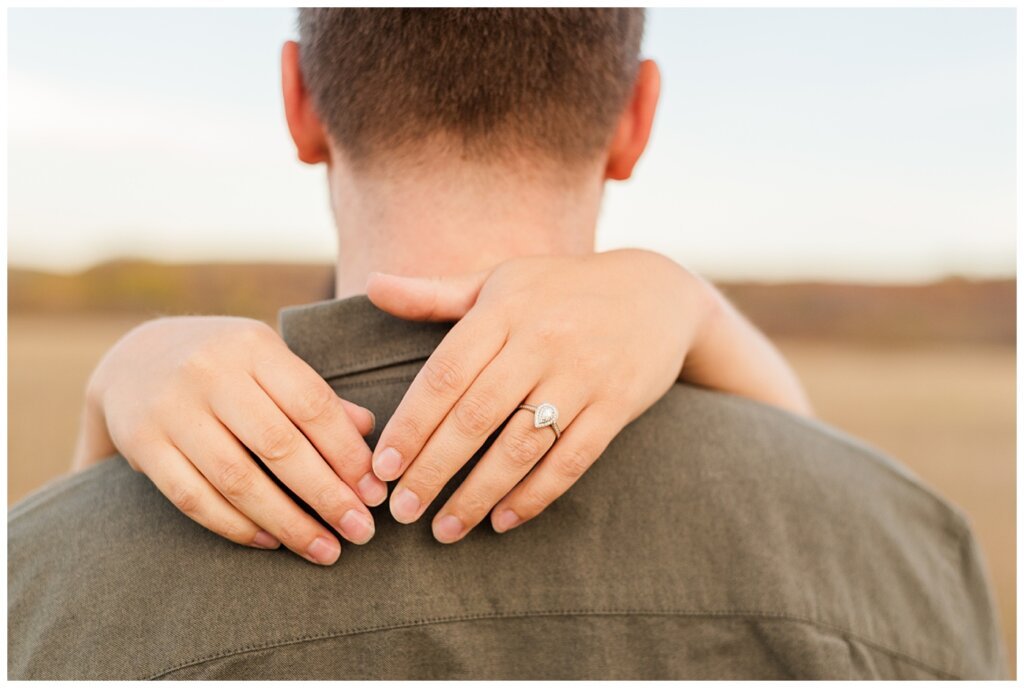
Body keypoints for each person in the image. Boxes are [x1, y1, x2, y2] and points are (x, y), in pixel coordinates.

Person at [8, 9, 1004, 679]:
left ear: (300, 102)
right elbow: (836, 509)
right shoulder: (914, 542)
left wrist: (105, 402)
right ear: (637, 118)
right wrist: (692, 305)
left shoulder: (33, 578)